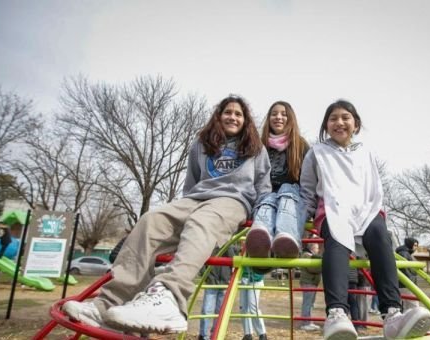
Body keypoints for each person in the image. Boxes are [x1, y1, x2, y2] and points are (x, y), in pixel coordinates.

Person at [61, 95, 272, 335]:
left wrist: (260, 219)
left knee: (201, 222)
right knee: (150, 221)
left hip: (233, 200)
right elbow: (191, 182)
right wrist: (180, 210)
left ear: (245, 120)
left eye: (238, 114)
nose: (233, 117)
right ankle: (107, 304)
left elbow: (263, 185)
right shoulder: (202, 144)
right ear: (219, 115)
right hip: (197, 197)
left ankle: (169, 296)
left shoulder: (255, 148)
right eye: (228, 112)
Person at [300, 100, 430, 340]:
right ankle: (337, 313)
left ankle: (392, 313)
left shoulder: (366, 152)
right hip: (334, 209)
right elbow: (308, 189)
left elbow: (374, 187)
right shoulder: (317, 152)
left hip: (365, 210)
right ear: (326, 125)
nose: (339, 122)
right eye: (333, 119)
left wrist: (376, 213)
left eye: (345, 117)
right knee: (337, 242)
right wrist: (304, 223)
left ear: (356, 124)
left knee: (382, 237)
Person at [246, 101, 309, 259]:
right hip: (266, 196)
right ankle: (260, 242)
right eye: (274, 114)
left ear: (291, 119)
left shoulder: (301, 145)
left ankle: (287, 237)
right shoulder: (258, 146)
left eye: (283, 114)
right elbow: (251, 178)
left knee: (286, 190)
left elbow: (308, 180)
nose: (278, 117)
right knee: (268, 199)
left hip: (292, 197)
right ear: (268, 119)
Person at [198, 246, 235, 340]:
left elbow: (233, 258)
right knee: (207, 310)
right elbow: (201, 261)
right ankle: (204, 335)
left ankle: (215, 334)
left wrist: (228, 244)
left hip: (224, 282)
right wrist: (207, 277)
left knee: (220, 311)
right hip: (212, 282)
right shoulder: (210, 243)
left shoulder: (229, 245)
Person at [299, 240, 323, 331]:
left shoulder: (312, 256)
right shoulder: (306, 255)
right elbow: (312, 268)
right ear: (312, 247)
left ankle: (309, 321)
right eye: (317, 247)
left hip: (312, 282)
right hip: (308, 282)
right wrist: (321, 266)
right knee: (307, 303)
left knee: (311, 303)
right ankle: (305, 323)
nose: (318, 249)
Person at [240, 267, 267, 340]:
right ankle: (248, 334)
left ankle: (262, 334)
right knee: (243, 307)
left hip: (255, 279)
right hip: (244, 278)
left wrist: (257, 276)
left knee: (253, 307)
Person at [395, 237, 420, 311]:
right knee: (413, 305)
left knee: (406, 305)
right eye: (415, 245)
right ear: (410, 244)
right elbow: (404, 269)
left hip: (405, 284)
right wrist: (411, 280)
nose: (416, 248)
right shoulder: (404, 253)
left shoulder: (406, 253)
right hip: (406, 284)